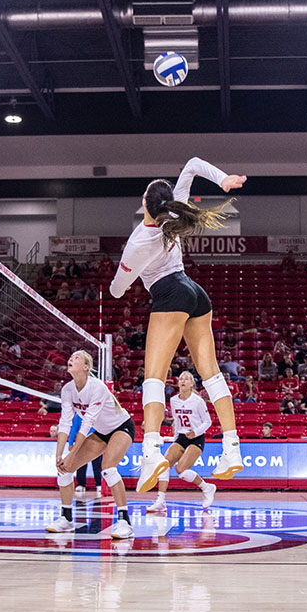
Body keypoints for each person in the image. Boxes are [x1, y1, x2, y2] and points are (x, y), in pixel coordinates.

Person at [108, 157, 247, 492]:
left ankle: (152, 453)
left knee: (154, 377)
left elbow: (116, 290)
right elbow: (192, 164)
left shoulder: (140, 239)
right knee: (211, 374)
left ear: (144, 202)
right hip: (194, 291)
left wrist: (127, 271)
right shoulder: (175, 210)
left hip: (169, 293)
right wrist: (223, 179)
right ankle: (231, 447)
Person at [46, 351, 136, 538]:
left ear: (86, 367)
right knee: (65, 470)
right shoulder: (67, 390)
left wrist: (70, 454)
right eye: (71, 356)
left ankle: (124, 521)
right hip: (101, 432)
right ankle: (67, 518)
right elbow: (65, 423)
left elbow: (86, 424)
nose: (71, 358)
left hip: (121, 427)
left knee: (108, 468)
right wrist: (59, 455)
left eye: (77, 357)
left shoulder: (97, 388)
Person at [148, 371, 217, 513]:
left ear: (192, 384)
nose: (183, 380)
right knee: (164, 465)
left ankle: (207, 487)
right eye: (181, 379)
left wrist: (196, 432)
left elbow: (208, 422)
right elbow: (177, 423)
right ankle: (160, 501)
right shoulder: (174, 400)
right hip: (181, 436)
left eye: (186, 379)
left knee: (181, 470)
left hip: (196, 438)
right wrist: (175, 440)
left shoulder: (198, 401)